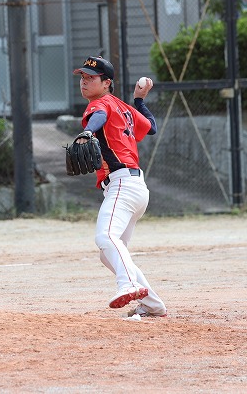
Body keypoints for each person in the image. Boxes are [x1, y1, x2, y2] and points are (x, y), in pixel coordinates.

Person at [72, 55, 166, 319]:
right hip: (134, 187)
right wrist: (139, 101)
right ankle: (153, 305)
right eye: (82, 77)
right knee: (109, 254)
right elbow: (151, 127)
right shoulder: (123, 107)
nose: (84, 82)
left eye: (91, 78)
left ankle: (128, 285)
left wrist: (88, 131)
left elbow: (99, 115)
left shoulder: (100, 104)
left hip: (122, 185)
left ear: (107, 83)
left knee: (105, 237)